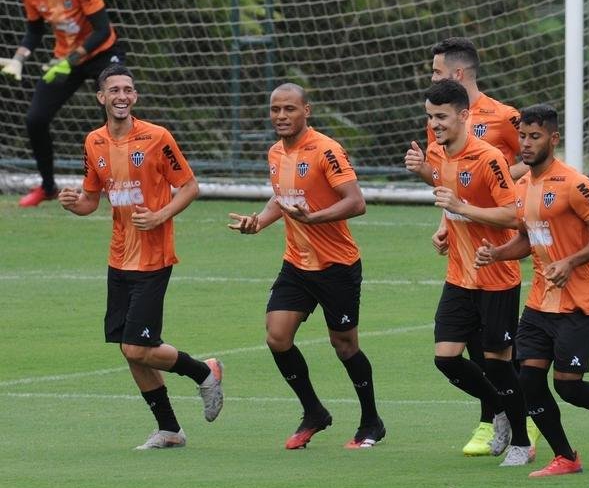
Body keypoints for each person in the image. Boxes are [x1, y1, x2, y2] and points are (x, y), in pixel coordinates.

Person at [475, 104, 589, 476]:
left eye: (534, 137)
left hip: (577, 300)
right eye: (521, 136)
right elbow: (527, 239)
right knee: (528, 379)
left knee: (569, 387)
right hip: (540, 300)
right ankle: (566, 456)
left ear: (553, 139)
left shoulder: (574, 183)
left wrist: (570, 262)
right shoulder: (521, 187)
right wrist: (498, 254)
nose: (525, 143)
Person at [57, 64, 223, 450]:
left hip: (153, 257)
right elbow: (90, 202)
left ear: (135, 97)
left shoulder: (156, 137)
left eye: (128, 90)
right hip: (118, 258)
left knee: (137, 346)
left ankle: (205, 372)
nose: (121, 96)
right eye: (113, 90)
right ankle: (169, 429)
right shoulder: (93, 142)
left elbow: (189, 186)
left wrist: (162, 214)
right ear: (101, 97)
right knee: (130, 350)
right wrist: (72, 203)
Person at [227, 83, 384, 450]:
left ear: (306, 111)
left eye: (289, 109)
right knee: (277, 336)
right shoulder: (275, 153)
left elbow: (356, 202)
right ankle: (313, 411)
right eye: (275, 109)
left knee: (344, 346)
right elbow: (282, 199)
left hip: (337, 266)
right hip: (296, 264)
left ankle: (371, 421)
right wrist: (258, 222)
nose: (281, 116)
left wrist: (314, 219)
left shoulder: (326, 150)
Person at [404, 79, 532, 460]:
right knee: (445, 358)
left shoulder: (489, 158)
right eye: (430, 117)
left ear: (464, 115)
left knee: (498, 362)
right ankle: (502, 409)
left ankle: (522, 443)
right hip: (459, 275)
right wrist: (445, 227)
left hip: (496, 278)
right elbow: (451, 203)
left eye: (441, 117)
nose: (435, 124)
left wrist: (463, 210)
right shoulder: (439, 156)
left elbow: (513, 215)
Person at [6, 0, 127, 207]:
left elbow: (102, 30)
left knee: (116, 116)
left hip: (101, 53)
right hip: (65, 59)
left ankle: (121, 184)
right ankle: (48, 187)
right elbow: (35, 31)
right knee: (35, 119)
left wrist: (71, 60)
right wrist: (18, 58)